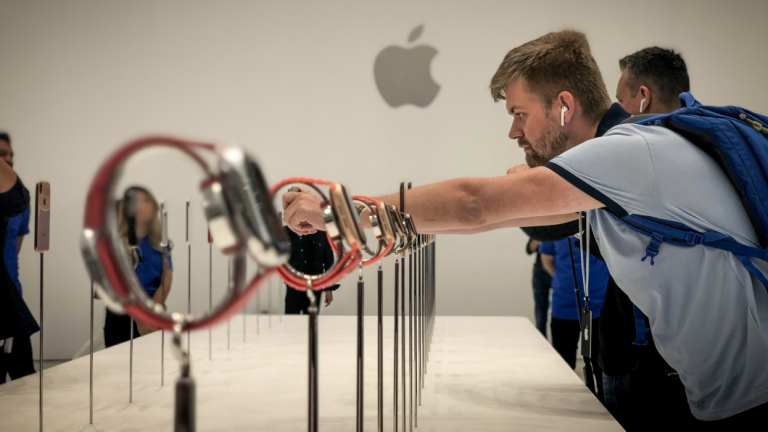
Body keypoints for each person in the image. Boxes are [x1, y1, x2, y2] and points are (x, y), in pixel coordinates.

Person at [282, 30, 768, 427]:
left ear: (564, 105)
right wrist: (355, 226)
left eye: (519, 114)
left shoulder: (630, 153)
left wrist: (333, 210)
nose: (514, 132)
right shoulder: (619, 168)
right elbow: (501, 217)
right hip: (727, 397)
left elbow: (475, 205)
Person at [103, 186, 173, 347]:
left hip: (152, 309)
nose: (142, 206)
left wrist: (152, 309)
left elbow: (167, 276)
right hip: (121, 313)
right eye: (136, 202)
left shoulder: (160, 242)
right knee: (119, 357)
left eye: (146, 200)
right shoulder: (115, 242)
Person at [539, 238, 607, 383]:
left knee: (599, 364)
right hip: (564, 305)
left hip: (598, 306)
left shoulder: (601, 227)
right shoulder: (554, 229)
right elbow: (546, 259)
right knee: (563, 365)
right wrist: (563, 281)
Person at [0, 134, 36, 383]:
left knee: (26, 380)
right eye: (3, 154)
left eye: (11, 154)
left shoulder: (22, 201)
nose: (9, 159)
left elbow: (16, 249)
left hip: (13, 299)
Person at [616, 47, 690, 115]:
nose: (618, 108)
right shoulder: (695, 122)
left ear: (644, 96)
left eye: (621, 101)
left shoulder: (625, 125)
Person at [283, 228, 339, 314]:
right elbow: (282, 257)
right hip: (293, 284)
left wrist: (328, 289)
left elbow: (328, 261)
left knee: (312, 318)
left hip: (315, 284)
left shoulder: (322, 232)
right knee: (291, 317)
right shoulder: (288, 230)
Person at [525, 237, 550, 337]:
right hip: (540, 272)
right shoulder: (540, 231)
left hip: (559, 268)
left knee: (560, 312)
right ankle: (541, 341)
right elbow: (529, 249)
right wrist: (539, 239)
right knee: (540, 313)